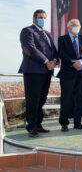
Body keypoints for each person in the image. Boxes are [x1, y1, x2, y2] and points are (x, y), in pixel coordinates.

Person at [18, 9, 58, 137]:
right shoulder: (27, 31)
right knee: (33, 99)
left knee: (42, 99)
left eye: (44, 18)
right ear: (34, 18)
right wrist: (46, 61)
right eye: (41, 17)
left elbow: (54, 50)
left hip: (46, 71)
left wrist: (55, 61)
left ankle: (38, 124)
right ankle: (31, 126)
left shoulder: (47, 33)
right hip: (33, 71)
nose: (43, 20)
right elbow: (29, 48)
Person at [57, 19, 82, 132]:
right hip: (67, 74)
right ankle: (64, 123)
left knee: (81, 99)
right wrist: (73, 63)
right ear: (68, 27)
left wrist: (80, 63)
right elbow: (61, 53)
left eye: (78, 25)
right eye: (74, 25)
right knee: (66, 99)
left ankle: (78, 123)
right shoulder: (62, 39)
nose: (77, 27)